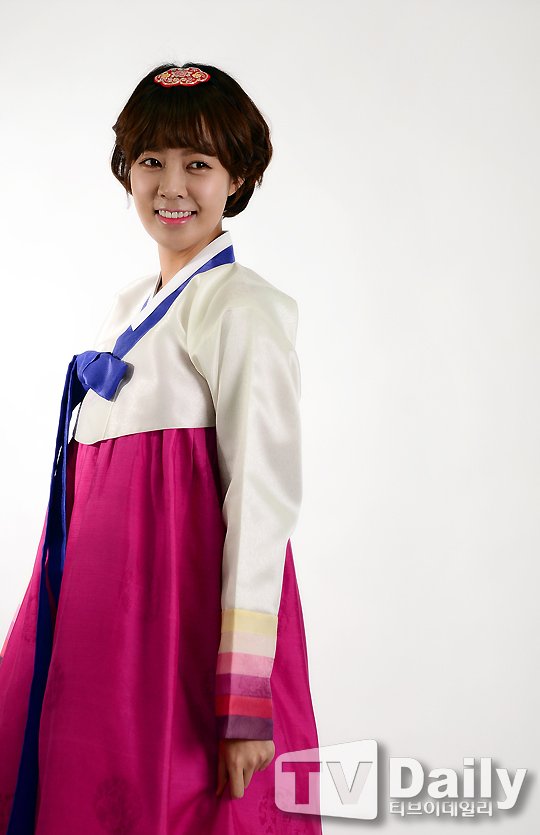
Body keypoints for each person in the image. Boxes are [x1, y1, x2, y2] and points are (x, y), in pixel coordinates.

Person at [0, 63, 322, 834]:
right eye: (152, 160)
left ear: (237, 177)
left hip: (176, 631)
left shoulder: (241, 309)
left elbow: (262, 499)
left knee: (181, 802)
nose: (172, 185)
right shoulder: (126, 309)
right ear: (128, 171)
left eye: (198, 163)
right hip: (102, 631)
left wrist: (244, 697)